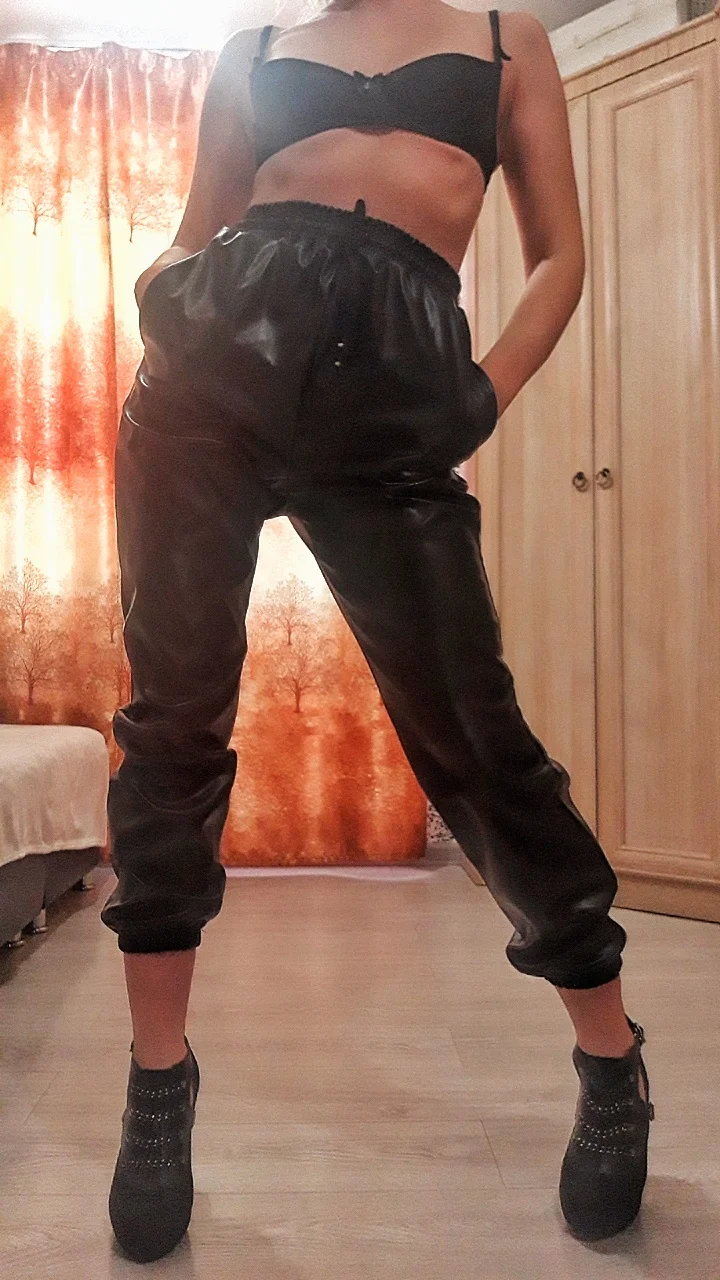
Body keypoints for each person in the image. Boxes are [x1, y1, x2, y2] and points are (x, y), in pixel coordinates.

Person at [101, 0, 654, 1263]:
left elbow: (560, 256)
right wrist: (165, 297)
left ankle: (611, 1058)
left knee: (475, 737)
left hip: (395, 400)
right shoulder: (254, 48)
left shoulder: (510, 39)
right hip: (211, 386)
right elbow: (197, 227)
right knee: (174, 715)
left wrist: (478, 395)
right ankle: (157, 1080)